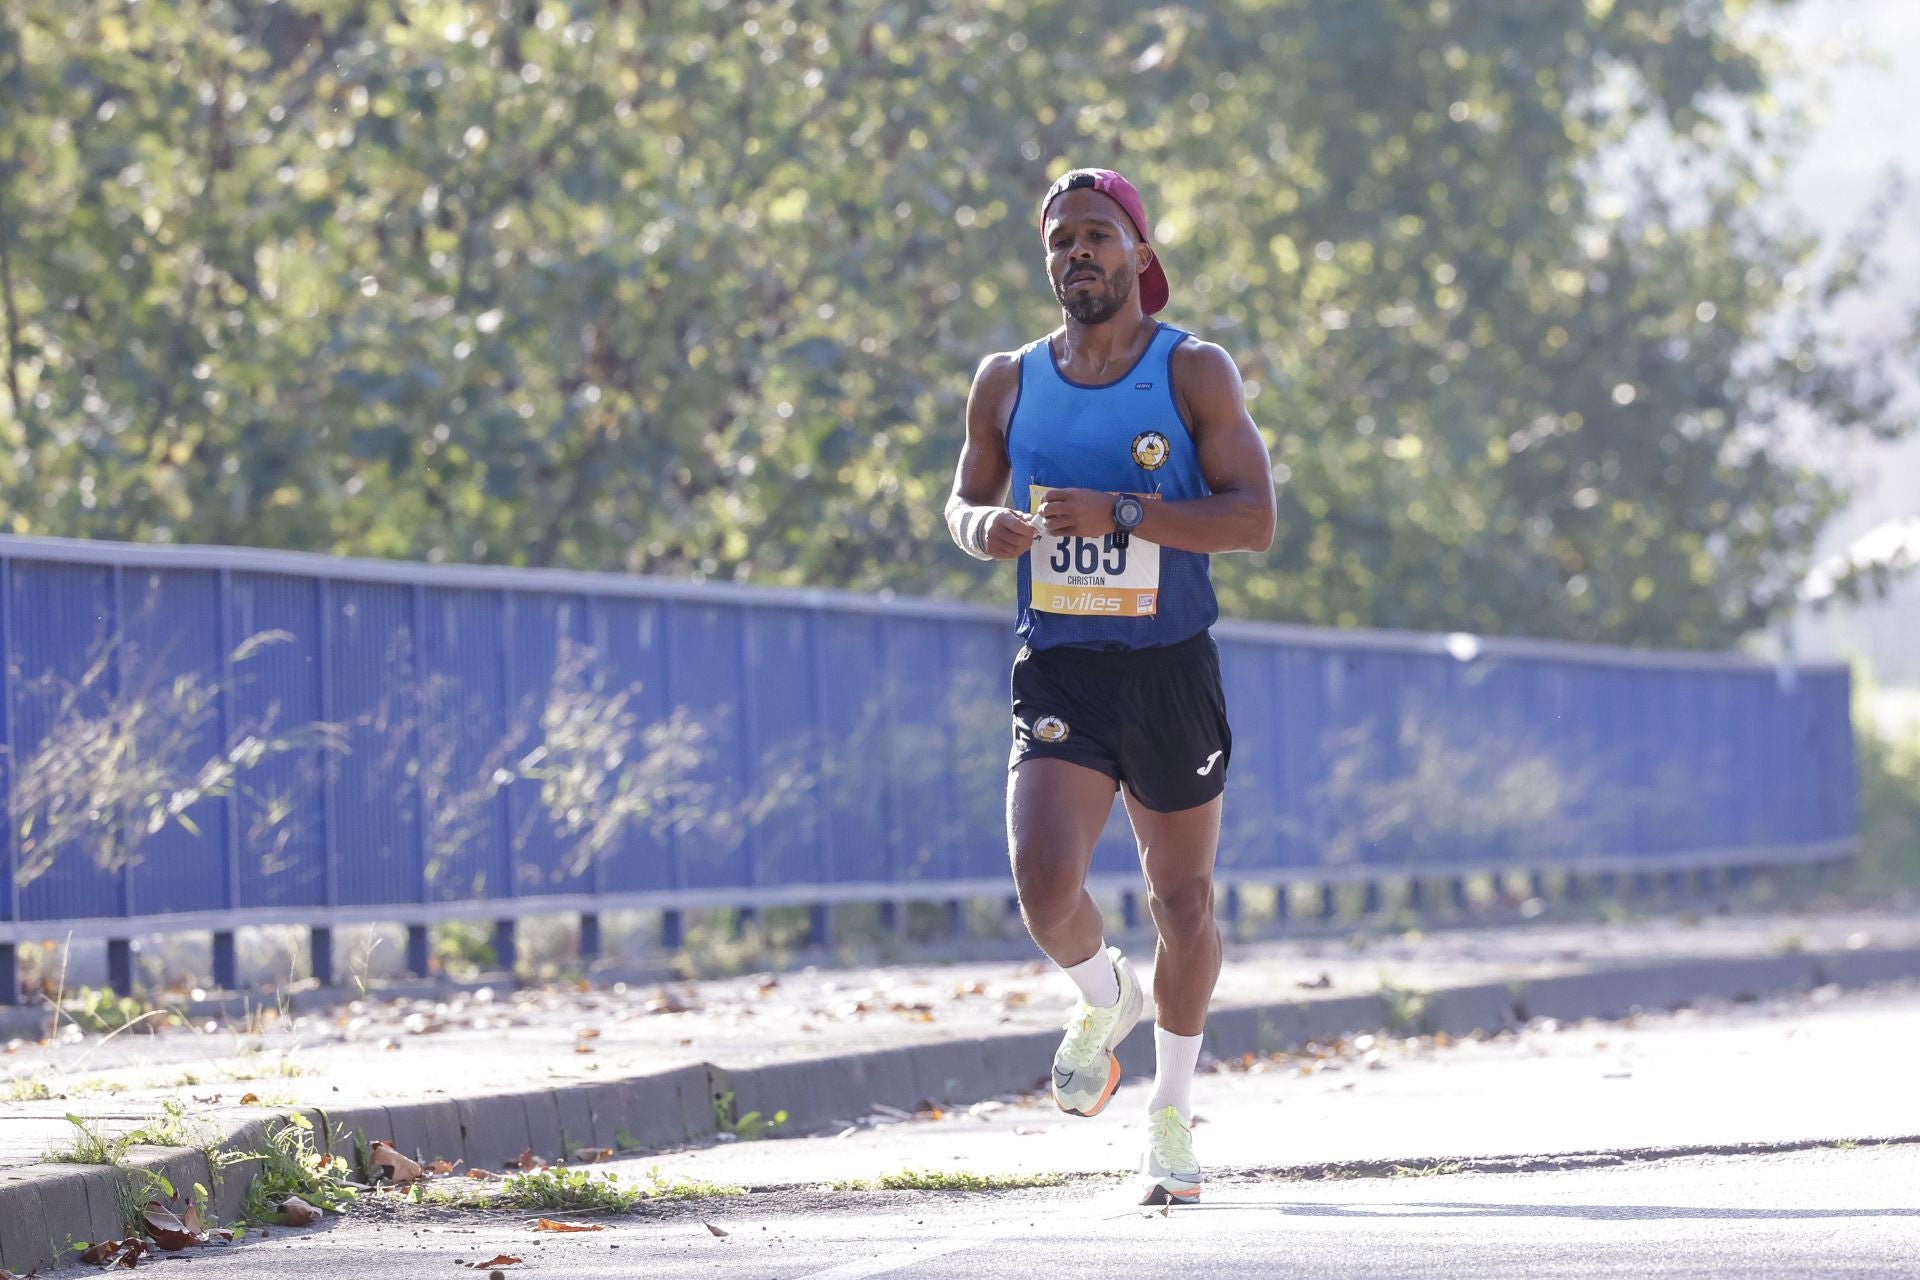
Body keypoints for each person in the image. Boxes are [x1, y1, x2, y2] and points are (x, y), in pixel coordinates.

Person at [943, 167, 1277, 1205]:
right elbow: (961, 499)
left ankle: (1171, 1111)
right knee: (1044, 881)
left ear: (1138, 253)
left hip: (1171, 666)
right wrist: (980, 528)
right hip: (1064, 663)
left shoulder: (1194, 372)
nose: (1075, 254)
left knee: (1182, 898)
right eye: (1058, 241)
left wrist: (1127, 514)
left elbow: (1253, 517)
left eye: (1095, 235)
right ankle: (1104, 994)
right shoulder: (1006, 378)